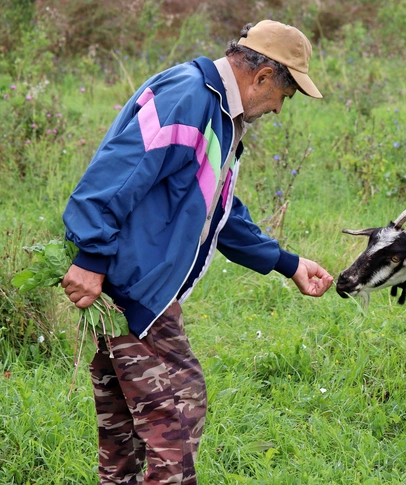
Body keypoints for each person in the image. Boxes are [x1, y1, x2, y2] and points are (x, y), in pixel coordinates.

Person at [60, 20, 333, 484]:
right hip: (136, 288)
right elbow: (116, 172)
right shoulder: (189, 97)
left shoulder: (220, 115)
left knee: (122, 424)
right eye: (285, 97)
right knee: (179, 411)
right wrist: (90, 257)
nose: (280, 110)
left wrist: (288, 264)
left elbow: (218, 210)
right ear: (263, 76)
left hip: (136, 286)